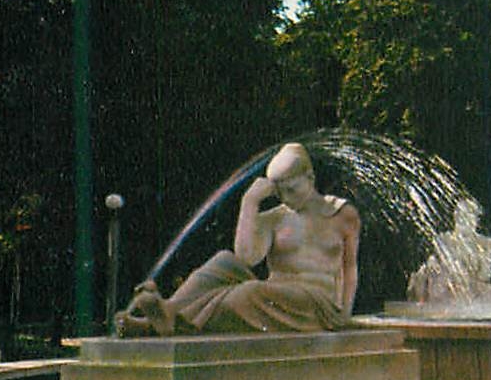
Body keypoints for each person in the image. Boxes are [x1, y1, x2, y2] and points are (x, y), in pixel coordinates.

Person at [115, 143, 359, 336]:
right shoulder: (274, 218)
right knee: (224, 262)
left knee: (246, 293)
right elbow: (246, 257)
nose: (286, 198)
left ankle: (161, 323)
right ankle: (168, 312)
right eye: (280, 192)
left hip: (316, 304)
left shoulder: (341, 213)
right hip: (275, 296)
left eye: (292, 190)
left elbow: (349, 267)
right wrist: (249, 201)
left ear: (311, 177)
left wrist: (345, 313)